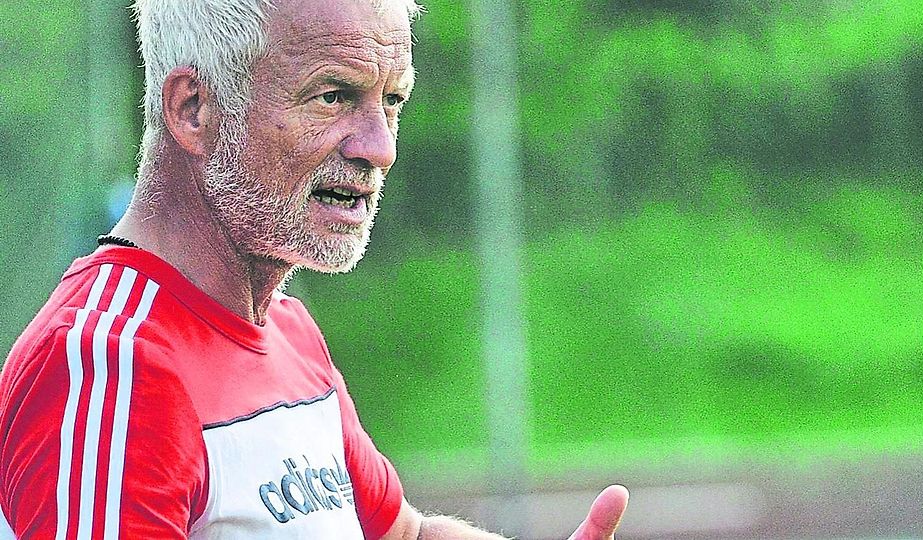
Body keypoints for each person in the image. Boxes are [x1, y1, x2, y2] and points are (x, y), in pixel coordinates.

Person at [0, 0, 629, 538]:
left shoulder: (288, 329)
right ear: (193, 110)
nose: (379, 146)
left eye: (393, 99)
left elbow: (400, 533)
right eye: (333, 97)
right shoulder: (110, 366)